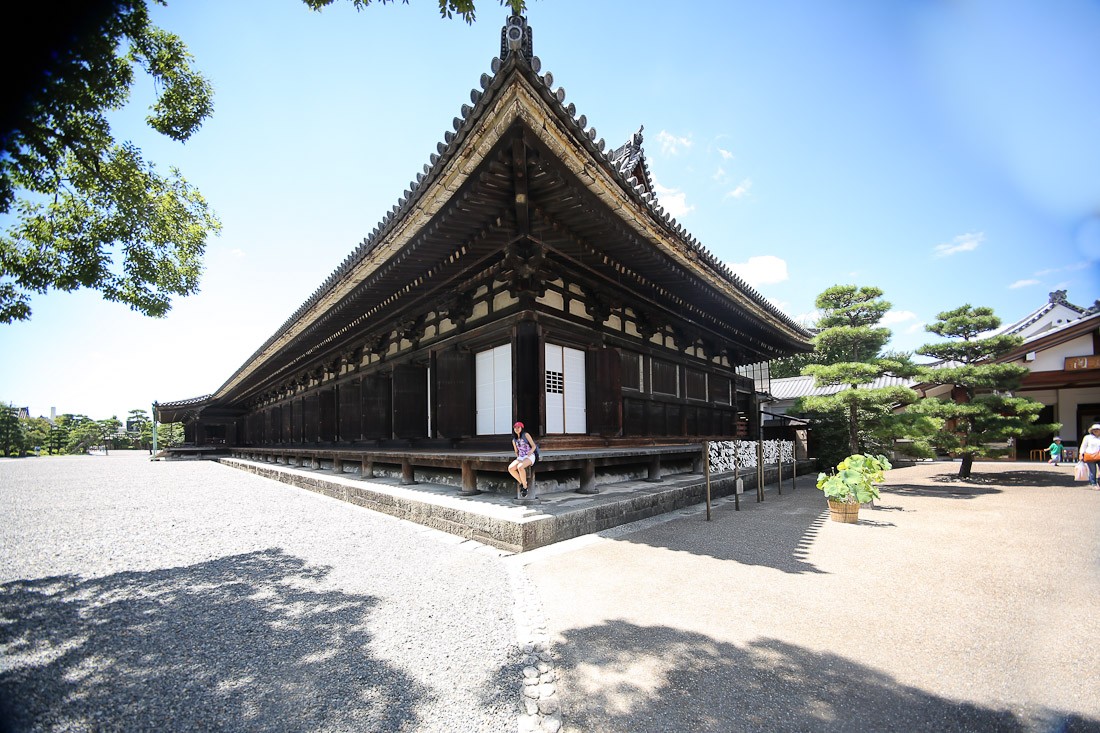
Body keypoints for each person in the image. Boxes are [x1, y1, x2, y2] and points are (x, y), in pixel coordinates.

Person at [508, 421, 538, 497]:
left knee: (520, 467)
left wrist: (530, 452)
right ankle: (522, 482)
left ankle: (525, 487)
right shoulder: (514, 440)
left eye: (518, 427)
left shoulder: (526, 435)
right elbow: (516, 451)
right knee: (510, 468)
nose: (517, 429)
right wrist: (518, 458)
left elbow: (534, 446)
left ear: (522, 428)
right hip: (521, 456)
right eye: (515, 427)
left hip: (529, 455)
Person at [1080, 424, 1100, 489]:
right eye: (1094, 430)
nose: (1096, 431)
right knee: (1093, 471)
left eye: (1097, 429)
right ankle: (1093, 483)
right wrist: (1081, 454)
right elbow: (1083, 446)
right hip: (1090, 455)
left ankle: (1099, 482)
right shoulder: (1087, 437)